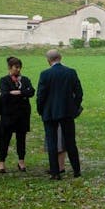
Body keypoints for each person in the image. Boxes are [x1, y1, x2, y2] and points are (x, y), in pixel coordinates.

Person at [36, 48, 84, 180]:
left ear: (48, 60)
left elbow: (41, 95)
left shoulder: (45, 74)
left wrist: (41, 109)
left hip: (50, 112)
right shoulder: (70, 72)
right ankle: (76, 170)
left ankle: (55, 172)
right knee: (70, 142)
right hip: (67, 112)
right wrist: (74, 107)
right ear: (60, 57)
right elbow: (79, 93)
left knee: (52, 142)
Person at [0, 56, 35, 174]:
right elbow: (4, 94)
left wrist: (18, 92)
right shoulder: (4, 80)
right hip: (8, 114)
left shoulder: (25, 79)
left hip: (22, 114)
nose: (18, 70)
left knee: (21, 138)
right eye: (16, 67)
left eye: (19, 67)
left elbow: (31, 92)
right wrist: (22, 93)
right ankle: (2, 161)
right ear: (10, 67)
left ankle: (21, 160)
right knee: (5, 138)